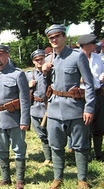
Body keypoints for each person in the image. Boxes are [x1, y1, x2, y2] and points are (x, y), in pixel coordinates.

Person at [42, 25, 95, 189]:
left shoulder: (77, 56)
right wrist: (44, 73)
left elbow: (89, 84)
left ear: (64, 37)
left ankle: (82, 180)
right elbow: (46, 87)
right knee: (56, 145)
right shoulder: (49, 59)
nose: (54, 40)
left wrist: (89, 108)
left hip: (74, 108)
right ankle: (58, 178)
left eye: (57, 36)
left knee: (80, 146)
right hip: (54, 110)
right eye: (51, 38)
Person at [0, 44, 30, 189]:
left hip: (14, 118)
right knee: (0, 150)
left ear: (7, 55)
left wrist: (25, 120)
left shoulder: (17, 74)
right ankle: (5, 178)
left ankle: (20, 180)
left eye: (0, 55)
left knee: (18, 149)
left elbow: (25, 99)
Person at [77, 34, 104, 161]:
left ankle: (98, 154)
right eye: (94, 44)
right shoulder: (75, 58)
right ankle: (85, 155)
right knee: (84, 126)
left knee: (98, 125)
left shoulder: (97, 58)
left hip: (97, 94)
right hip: (81, 96)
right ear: (87, 45)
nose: (96, 46)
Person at [26, 49, 51, 166]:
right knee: (42, 134)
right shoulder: (29, 75)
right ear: (33, 61)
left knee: (52, 133)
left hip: (49, 107)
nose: (39, 62)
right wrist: (29, 86)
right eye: (37, 60)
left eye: (41, 59)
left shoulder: (51, 72)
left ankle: (57, 155)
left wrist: (47, 74)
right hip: (35, 108)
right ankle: (48, 157)